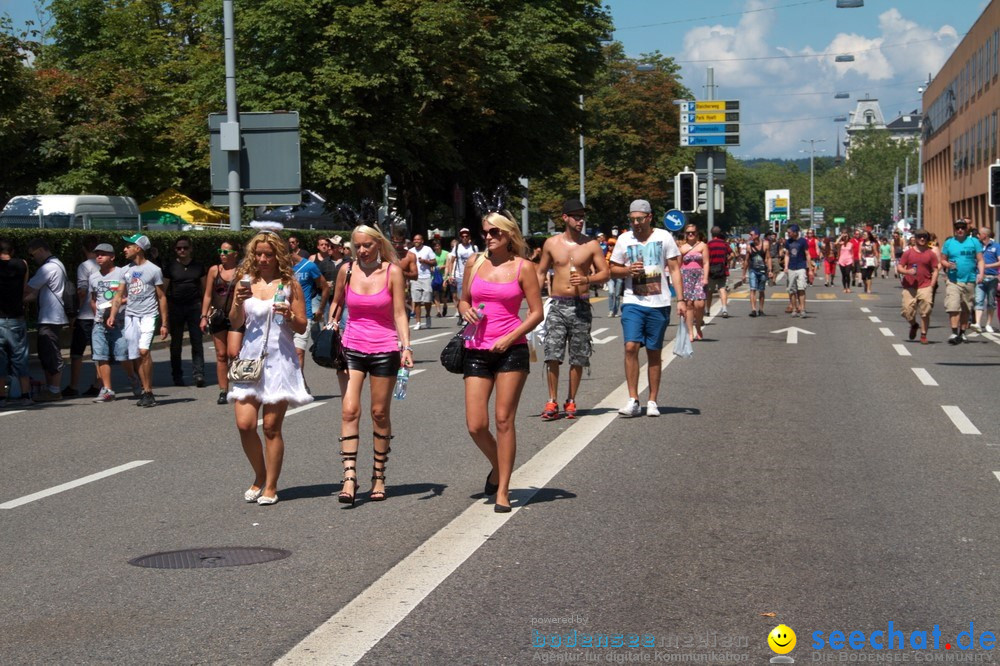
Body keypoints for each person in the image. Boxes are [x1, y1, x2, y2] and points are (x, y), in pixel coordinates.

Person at [460, 205, 543, 512]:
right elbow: (463, 299)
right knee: (476, 424)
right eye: (486, 231)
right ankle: (499, 466)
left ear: (509, 236)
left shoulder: (523, 267)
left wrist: (510, 337)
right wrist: (463, 309)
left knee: (503, 420)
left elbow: (537, 312)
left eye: (495, 231)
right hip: (476, 349)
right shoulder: (475, 262)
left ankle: (503, 489)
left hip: (512, 348)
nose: (489, 236)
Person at [328, 224, 412, 505]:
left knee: (379, 413)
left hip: (385, 349)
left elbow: (400, 312)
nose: (362, 251)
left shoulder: (392, 272)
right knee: (350, 410)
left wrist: (406, 347)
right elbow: (337, 303)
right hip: (351, 347)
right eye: (357, 246)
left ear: (378, 244)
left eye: (367, 245)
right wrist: (331, 324)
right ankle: (349, 477)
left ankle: (378, 475)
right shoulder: (346, 270)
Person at [229, 230, 312, 506]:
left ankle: (271, 486)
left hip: (279, 359)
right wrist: (239, 302)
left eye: (268, 254)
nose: (263, 258)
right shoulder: (245, 283)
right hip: (250, 360)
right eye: (258, 253)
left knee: (271, 427)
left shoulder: (290, 284)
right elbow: (235, 321)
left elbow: (302, 324)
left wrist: (289, 315)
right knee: (245, 424)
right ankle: (259, 473)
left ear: (278, 256)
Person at [534, 198, 609, 420]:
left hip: (581, 306)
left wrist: (587, 278)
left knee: (578, 356)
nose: (580, 220)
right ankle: (552, 400)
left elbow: (604, 273)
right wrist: (534, 301)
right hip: (557, 304)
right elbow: (540, 272)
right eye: (576, 216)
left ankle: (571, 400)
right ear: (565, 218)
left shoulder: (591, 244)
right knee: (552, 354)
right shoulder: (551, 243)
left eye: (582, 216)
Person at [608, 200, 684, 418]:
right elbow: (612, 269)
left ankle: (652, 400)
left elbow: (675, 269)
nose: (635, 224)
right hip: (633, 302)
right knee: (630, 346)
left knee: (654, 352)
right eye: (632, 220)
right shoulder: (624, 239)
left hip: (659, 303)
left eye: (639, 219)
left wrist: (681, 300)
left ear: (650, 217)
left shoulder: (664, 237)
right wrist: (627, 270)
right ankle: (633, 399)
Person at [108, 234, 168, 407]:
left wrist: (164, 323)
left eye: (128, 246)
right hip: (131, 316)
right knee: (135, 355)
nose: (124, 249)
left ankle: (149, 392)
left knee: (143, 352)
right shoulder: (124, 270)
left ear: (138, 248)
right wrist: (113, 314)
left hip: (149, 315)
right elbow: (119, 295)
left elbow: (162, 297)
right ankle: (145, 390)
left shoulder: (154, 270)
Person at [23, 238, 70, 402]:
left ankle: (54, 390)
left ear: (41, 250)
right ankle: (51, 389)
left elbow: (28, 288)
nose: (33, 258)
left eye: (33, 255)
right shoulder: (57, 264)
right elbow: (34, 294)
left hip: (51, 317)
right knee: (46, 353)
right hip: (51, 316)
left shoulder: (48, 268)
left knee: (51, 353)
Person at [89, 243, 133, 401]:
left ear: (112, 257)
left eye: (103, 254)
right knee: (101, 355)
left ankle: (133, 378)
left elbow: (131, 296)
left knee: (122, 355)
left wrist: (118, 303)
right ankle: (107, 389)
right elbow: (93, 300)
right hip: (100, 322)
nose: (99, 257)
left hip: (120, 322)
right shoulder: (93, 277)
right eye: (97, 254)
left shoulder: (122, 273)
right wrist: (98, 314)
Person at [201, 240, 241, 404]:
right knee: (221, 355)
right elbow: (208, 295)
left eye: (226, 252)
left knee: (234, 353)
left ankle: (239, 386)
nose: (222, 254)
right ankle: (223, 391)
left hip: (236, 316)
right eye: (220, 251)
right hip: (218, 315)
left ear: (234, 254)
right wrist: (204, 316)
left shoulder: (241, 271)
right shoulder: (213, 270)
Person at [163, 235, 206, 387]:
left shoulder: (198, 266)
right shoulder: (170, 267)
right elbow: (164, 290)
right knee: (176, 343)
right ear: (175, 250)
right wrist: (164, 313)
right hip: (176, 307)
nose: (182, 250)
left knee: (196, 341)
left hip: (194, 306)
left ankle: (199, 374)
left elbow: (204, 288)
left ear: (190, 249)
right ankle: (177, 375)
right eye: (179, 248)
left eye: (185, 248)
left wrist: (205, 310)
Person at [65, 238, 102, 398]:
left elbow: (82, 291)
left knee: (77, 352)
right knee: (99, 351)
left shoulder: (84, 266)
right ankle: (98, 384)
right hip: (100, 313)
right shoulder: (106, 265)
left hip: (85, 314)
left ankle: (73, 385)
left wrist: (74, 313)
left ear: (84, 249)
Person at [290, 246, 329, 388]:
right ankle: (301, 382)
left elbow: (325, 286)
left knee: (298, 352)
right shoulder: (280, 268)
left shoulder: (309, 266)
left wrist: (320, 309)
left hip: (304, 314)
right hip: (283, 316)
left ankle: (298, 386)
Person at [940, 219, 984, 344]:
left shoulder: (974, 242)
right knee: (953, 306)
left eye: (962, 227)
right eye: (957, 227)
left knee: (966, 307)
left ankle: (962, 332)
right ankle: (954, 333)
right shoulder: (949, 243)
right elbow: (942, 259)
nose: (960, 230)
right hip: (954, 280)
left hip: (969, 280)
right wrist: (948, 264)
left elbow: (980, 259)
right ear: (954, 229)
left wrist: (981, 274)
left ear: (966, 229)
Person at [0, 238, 31, 407]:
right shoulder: (22, 264)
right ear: (11, 252)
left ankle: (2, 398)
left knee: (0, 359)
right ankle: (26, 395)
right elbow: (24, 288)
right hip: (16, 317)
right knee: (20, 356)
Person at [897, 230, 938, 345]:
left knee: (925, 311)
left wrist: (932, 284)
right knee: (907, 311)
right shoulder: (908, 253)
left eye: (925, 237)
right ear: (915, 238)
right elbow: (899, 267)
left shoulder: (930, 254)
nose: (922, 239)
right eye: (920, 237)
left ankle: (923, 335)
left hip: (925, 285)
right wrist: (907, 271)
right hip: (909, 286)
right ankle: (914, 325)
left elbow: (935, 270)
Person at [678, 224, 709, 340]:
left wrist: (705, 278)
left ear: (697, 233)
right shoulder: (682, 248)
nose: (690, 234)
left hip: (699, 276)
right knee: (689, 304)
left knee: (699, 304)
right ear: (685, 234)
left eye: (693, 232)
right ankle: (690, 332)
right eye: (688, 232)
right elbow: (678, 265)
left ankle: (698, 325)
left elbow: (706, 263)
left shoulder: (703, 246)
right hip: (686, 277)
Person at [972, 226, 999, 333]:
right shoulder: (977, 246)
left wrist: (986, 266)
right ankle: (978, 323)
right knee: (979, 300)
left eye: (979, 234)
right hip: (979, 277)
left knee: (991, 302)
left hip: (992, 277)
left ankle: (988, 324)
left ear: (985, 235)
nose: (978, 235)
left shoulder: (996, 246)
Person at [408, 234, 437, 329]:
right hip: (415, 278)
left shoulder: (427, 249)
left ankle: (428, 315)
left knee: (427, 299)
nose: (416, 241)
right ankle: (418, 322)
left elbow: (434, 262)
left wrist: (425, 261)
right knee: (416, 300)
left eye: (418, 239)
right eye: (414, 239)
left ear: (422, 241)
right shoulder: (410, 251)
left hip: (426, 277)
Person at [783, 224, 812, 317]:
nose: (788, 234)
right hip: (791, 267)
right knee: (791, 290)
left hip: (801, 267)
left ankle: (802, 308)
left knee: (801, 288)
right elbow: (787, 254)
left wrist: (810, 269)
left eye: (789, 232)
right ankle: (794, 309)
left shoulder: (803, 241)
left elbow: (807, 254)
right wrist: (786, 266)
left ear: (795, 232)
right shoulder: (788, 242)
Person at [742, 228, 770, 317]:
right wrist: (743, 274)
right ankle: (753, 309)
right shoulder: (749, 246)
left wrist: (770, 270)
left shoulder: (765, 244)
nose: (750, 236)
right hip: (753, 270)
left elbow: (768, 258)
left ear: (757, 235)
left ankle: (761, 310)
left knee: (761, 290)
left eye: (751, 234)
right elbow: (746, 260)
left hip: (762, 271)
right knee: (753, 289)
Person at [705, 226, 731, 318]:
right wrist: (726, 260)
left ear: (711, 234)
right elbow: (733, 254)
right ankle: (724, 309)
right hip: (721, 270)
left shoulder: (708, 244)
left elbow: (705, 258)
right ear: (720, 234)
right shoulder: (724, 244)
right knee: (722, 289)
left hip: (711, 270)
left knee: (709, 291)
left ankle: (707, 310)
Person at [431, 237, 450, 318]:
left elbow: (449, 264)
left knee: (443, 294)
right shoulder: (431, 254)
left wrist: (443, 266)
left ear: (440, 246)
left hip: (444, 276)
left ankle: (445, 305)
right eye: (435, 246)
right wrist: (432, 269)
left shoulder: (446, 253)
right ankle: (438, 311)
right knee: (435, 294)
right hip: (434, 277)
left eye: (438, 246)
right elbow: (430, 265)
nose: (437, 247)